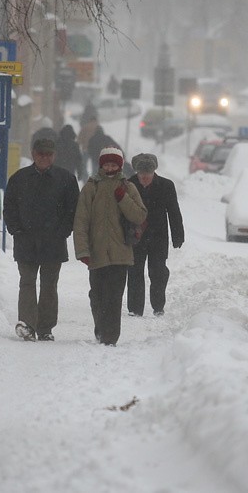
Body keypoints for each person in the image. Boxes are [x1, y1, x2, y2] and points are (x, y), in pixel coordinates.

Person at [3, 138, 80, 342]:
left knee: (49, 285)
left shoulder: (66, 179)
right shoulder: (19, 179)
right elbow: (9, 207)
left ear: (54, 155)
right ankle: (27, 324)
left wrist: (63, 231)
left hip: (53, 242)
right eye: (40, 154)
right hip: (25, 241)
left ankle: (45, 327)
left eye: (48, 154)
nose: (44, 158)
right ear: (33, 154)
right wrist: (16, 230)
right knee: (26, 282)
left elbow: (73, 210)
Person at [73, 147, 147, 346]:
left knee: (114, 297)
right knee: (97, 296)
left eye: (114, 164)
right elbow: (81, 221)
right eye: (107, 164)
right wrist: (82, 250)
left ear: (120, 166)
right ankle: (100, 328)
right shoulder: (91, 187)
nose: (110, 167)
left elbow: (140, 215)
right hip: (96, 253)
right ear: (101, 165)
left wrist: (122, 198)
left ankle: (110, 336)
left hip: (120, 253)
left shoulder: (127, 187)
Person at [126, 153, 184, 317]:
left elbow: (173, 211)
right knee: (135, 271)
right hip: (135, 236)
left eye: (148, 175)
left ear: (154, 173)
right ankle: (135, 308)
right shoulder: (129, 184)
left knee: (158, 271)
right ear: (137, 173)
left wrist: (177, 234)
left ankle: (158, 306)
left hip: (158, 236)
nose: (144, 178)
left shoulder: (166, 186)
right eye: (141, 175)